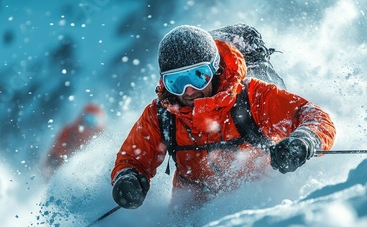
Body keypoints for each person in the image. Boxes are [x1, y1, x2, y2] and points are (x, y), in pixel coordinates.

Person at [110, 24, 336, 215]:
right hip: (193, 206)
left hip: (264, 198)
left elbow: (314, 116)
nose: (188, 91)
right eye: (176, 82)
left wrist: (303, 141)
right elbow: (133, 157)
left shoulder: (251, 96)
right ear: (164, 82)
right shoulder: (161, 114)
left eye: (198, 77)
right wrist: (128, 178)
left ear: (214, 69)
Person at [43, 103, 106, 178]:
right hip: (64, 165)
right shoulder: (70, 131)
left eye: (93, 121)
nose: (88, 125)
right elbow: (56, 150)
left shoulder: (100, 136)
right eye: (87, 119)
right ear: (81, 118)